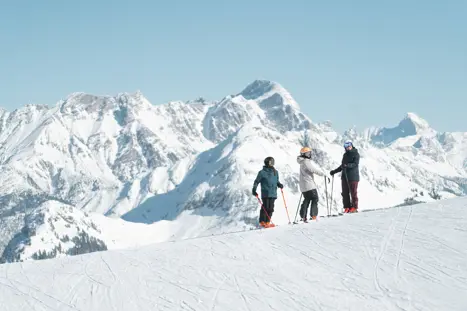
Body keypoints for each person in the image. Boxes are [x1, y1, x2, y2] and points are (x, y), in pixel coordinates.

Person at [252, 156, 284, 228]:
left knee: (271, 208)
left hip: (273, 193)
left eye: (273, 162)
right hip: (266, 192)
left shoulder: (275, 172)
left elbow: (276, 181)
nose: (272, 163)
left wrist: (279, 184)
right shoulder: (262, 173)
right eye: (271, 162)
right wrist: (254, 190)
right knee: (265, 207)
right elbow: (256, 181)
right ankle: (262, 221)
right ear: (268, 163)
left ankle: (267, 222)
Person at [297, 147, 327, 221]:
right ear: (303, 154)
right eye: (307, 153)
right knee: (315, 198)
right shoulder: (306, 161)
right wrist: (322, 174)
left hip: (303, 185)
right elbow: (312, 169)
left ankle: (303, 216)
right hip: (309, 184)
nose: (309, 154)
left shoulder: (301, 161)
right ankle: (313, 215)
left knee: (307, 199)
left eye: (309, 153)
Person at [330, 140, 360, 213]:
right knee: (345, 193)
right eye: (346, 147)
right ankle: (347, 207)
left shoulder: (356, 154)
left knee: (353, 192)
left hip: (353, 176)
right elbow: (342, 166)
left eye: (349, 146)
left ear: (351, 146)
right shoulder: (345, 155)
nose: (347, 148)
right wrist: (334, 171)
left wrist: (347, 165)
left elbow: (355, 164)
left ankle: (354, 207)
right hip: (344, 176)